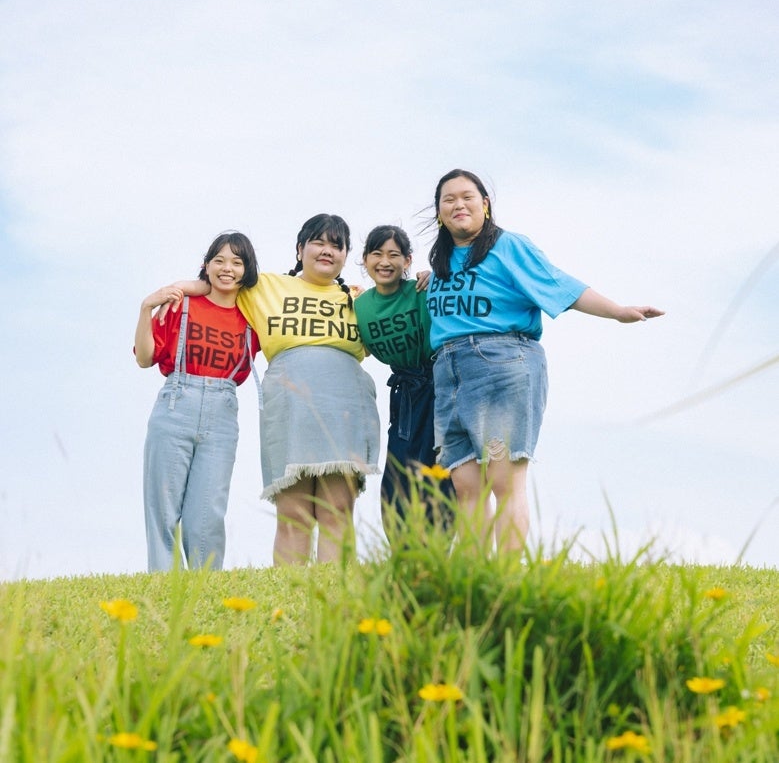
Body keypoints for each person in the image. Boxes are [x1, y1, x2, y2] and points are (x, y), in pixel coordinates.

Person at [426, 169, 664, 554]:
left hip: (501, 361)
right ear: (439, 211)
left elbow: (558, 284)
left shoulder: (509, 247)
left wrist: (618, 311)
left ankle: (505, 575)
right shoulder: (439, 264)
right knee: (466, 484)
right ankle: (470, 580)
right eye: (448, 199)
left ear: (485, 205)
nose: (458, 204)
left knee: (503, 480)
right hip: (449, 369)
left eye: (467, 197)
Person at [174, 215, 380, 565]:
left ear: (346, 255)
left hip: (346, 402)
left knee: (337, 509)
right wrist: (169, 293)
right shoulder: (264, 287)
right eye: (318, 242)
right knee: (294, 510)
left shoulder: (359, 300)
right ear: (300, 250)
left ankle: (334, 597)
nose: (327, 250)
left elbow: (399, 302)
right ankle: (291, 598)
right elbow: (216, 282)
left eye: (336, 245)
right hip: (290, 404)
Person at [134, 232, 260, 571]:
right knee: (162, 505)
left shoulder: (254, 317)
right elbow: (145, 359)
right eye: (219, 260)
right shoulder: (181, 305)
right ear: (206, 265)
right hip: (177, 402)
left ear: (247, 270)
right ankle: (162, 585)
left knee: (207, 511)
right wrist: (147, 307)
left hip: (223, 412)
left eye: (237, 262)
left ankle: (207, 586)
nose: (227, 268)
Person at [354, 225, 454, 540]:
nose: (385, 261)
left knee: (440, 472)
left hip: (439, 384)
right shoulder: (359, 306)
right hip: (405, 395)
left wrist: (435, 276)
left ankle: (438, 553)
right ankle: (403, 553)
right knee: (398, 476)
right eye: (377, 254)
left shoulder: (422, 290)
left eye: (394, 255)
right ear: (365, 259)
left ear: (408, 260)